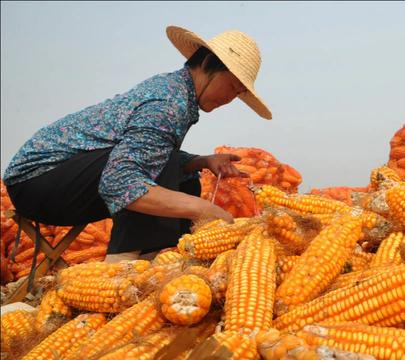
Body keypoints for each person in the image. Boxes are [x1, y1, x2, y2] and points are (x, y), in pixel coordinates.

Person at [2, 25, 272, 262]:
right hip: (36, 183)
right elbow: (120, 181)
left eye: (239, 93)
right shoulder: (167, 102)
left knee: (184, 177)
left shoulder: (177, 95)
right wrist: (205, 209)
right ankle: (125, 265)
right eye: (233, 86)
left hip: (54, 184)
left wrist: (202, 161)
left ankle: (160, 259)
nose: (231, 98)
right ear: (208, 64)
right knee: (150, 168)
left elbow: (151, 148)